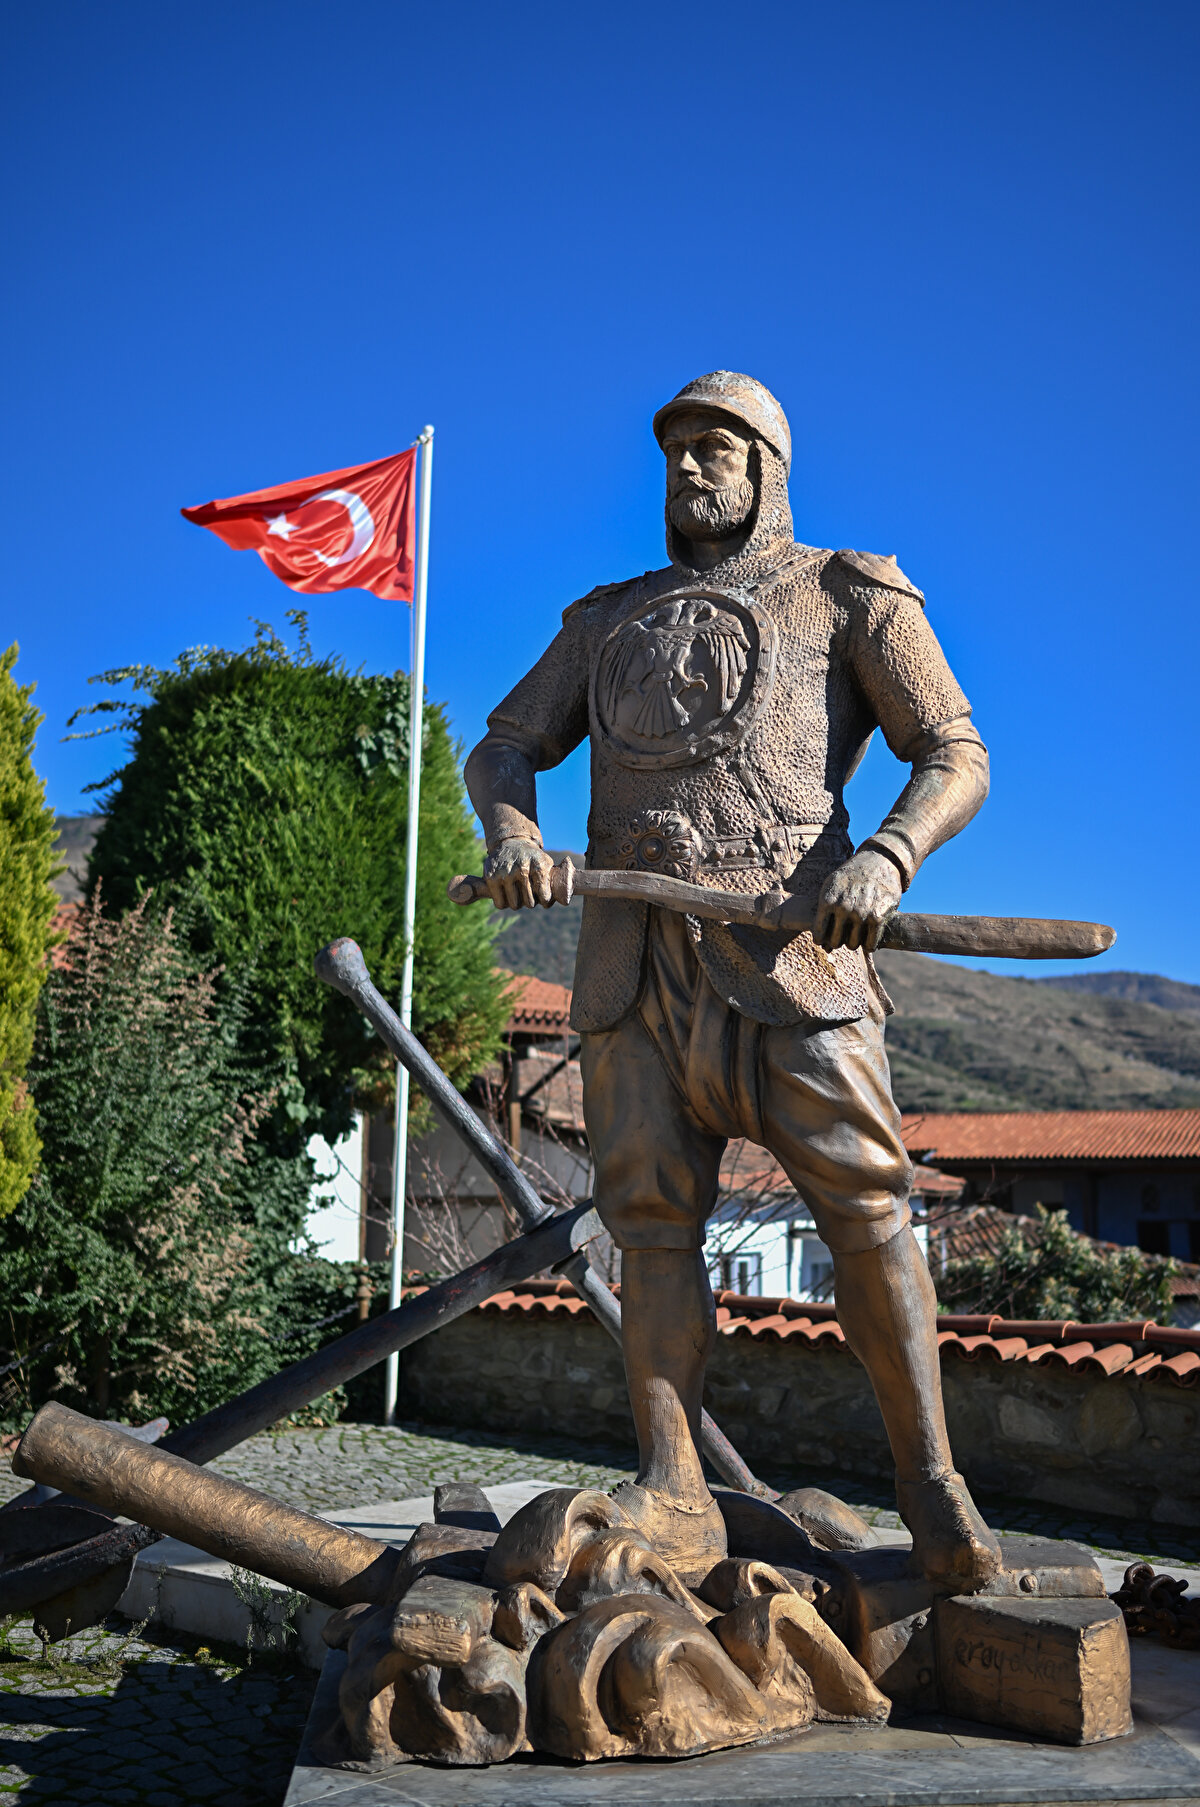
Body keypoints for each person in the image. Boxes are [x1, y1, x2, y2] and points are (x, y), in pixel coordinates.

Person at [465, 371, 1000, 1588]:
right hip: (632, 965)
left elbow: (954, 750)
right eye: (676, 451)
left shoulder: (846, 589)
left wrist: (888, 854)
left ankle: (933, 1484)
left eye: (717, 446)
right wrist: (513, 832)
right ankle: (673, 1483)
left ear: (769, 467)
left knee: (869, 1210)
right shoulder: (607, 619)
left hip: (794, 955)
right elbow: (504, 743)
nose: (691, 467)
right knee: (650, 1225)